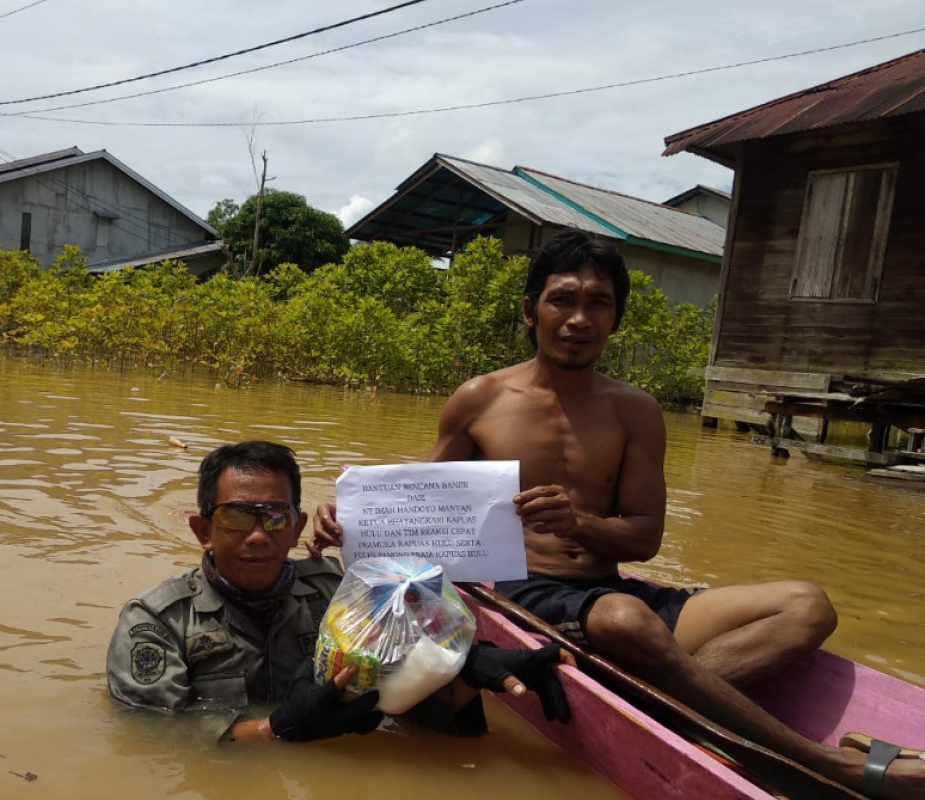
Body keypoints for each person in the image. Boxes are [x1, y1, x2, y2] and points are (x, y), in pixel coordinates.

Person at [310, 230, 925, 799]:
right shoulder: (481, 399)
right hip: (529, 595)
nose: (579, 319)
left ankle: (657, 700)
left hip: (610, 597)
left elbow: (646, 538)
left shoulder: (636, 410)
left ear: (615, 319)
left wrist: (580, 522)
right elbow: (426, 512)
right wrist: (352, 526)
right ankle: (822, 764)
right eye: (563, 300)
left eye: (598, 303)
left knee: (807, 604)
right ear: (531, 311)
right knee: (628, 619)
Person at [107, 440, 572, 745]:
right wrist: (276, 729)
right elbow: (152, 738)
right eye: (235, 516)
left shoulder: (346, 593)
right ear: (202, 529)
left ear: (297, 529)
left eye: (274, 517)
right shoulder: (155, 619)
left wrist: (463, 672)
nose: (257, 536)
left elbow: (408, 705)